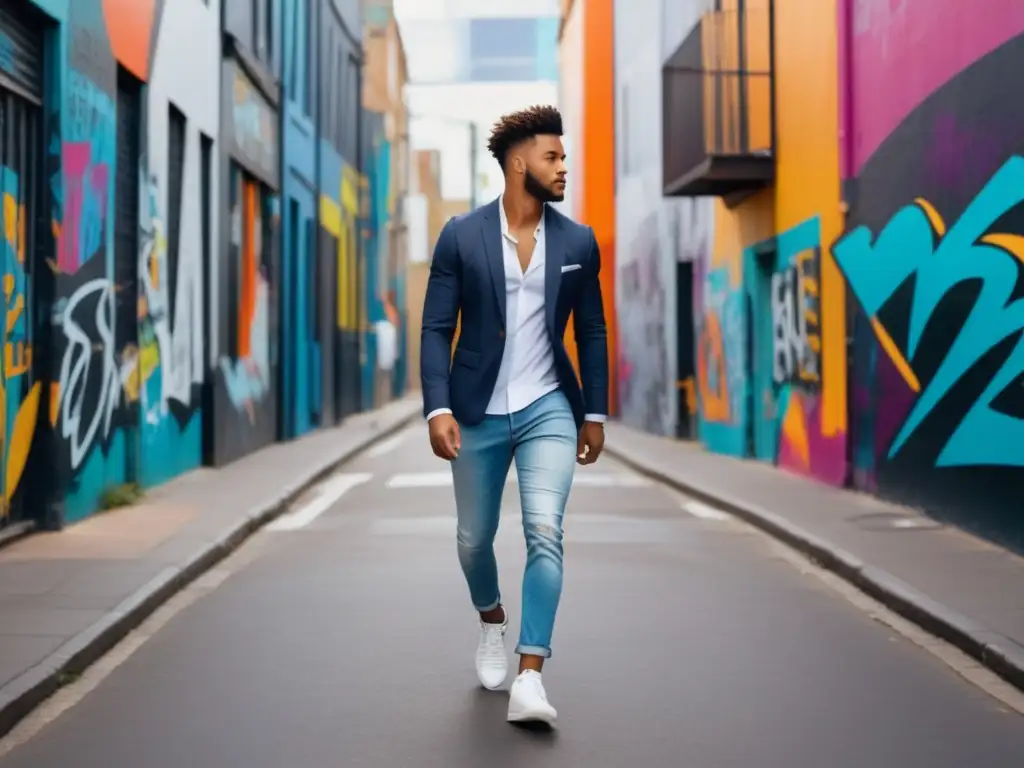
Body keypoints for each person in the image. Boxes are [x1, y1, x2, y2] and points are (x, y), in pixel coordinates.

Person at [419, 105, 609, 726]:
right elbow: (437, 326)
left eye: (564, 157)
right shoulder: (461, 235)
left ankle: (531, 674)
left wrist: (595, 412)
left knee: (544, 532)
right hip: (475, 407)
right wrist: (438, 405)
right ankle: (492, 619)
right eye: (553, 158)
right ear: (518, 162)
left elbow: (594, 332)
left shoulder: (579, 242)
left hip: (548, 406)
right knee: (473, 540)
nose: (563, 167)